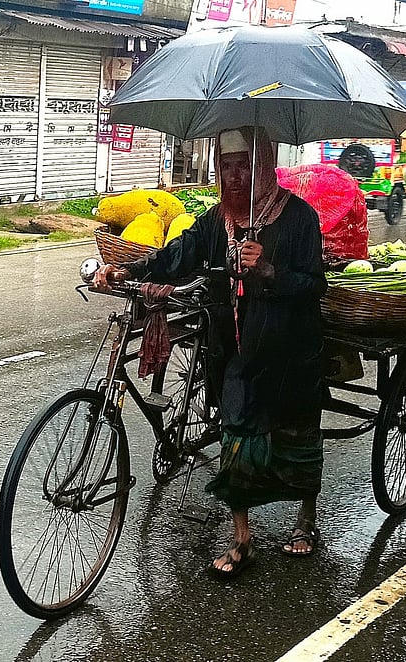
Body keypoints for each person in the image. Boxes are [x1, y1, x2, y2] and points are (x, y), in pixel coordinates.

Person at [92, 127, 327, 578]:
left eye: (244, 166)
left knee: (295, 431)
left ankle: (305, 515)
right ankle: (242, 537)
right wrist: (126, 270)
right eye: (226, 166)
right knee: (235, 426)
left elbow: (315, 284)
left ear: (264, 166)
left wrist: (269, 270)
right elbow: (175, 256)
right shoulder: (217, 220)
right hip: (234, 346)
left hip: (289, 349)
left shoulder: (299, 217)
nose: (234, 176)